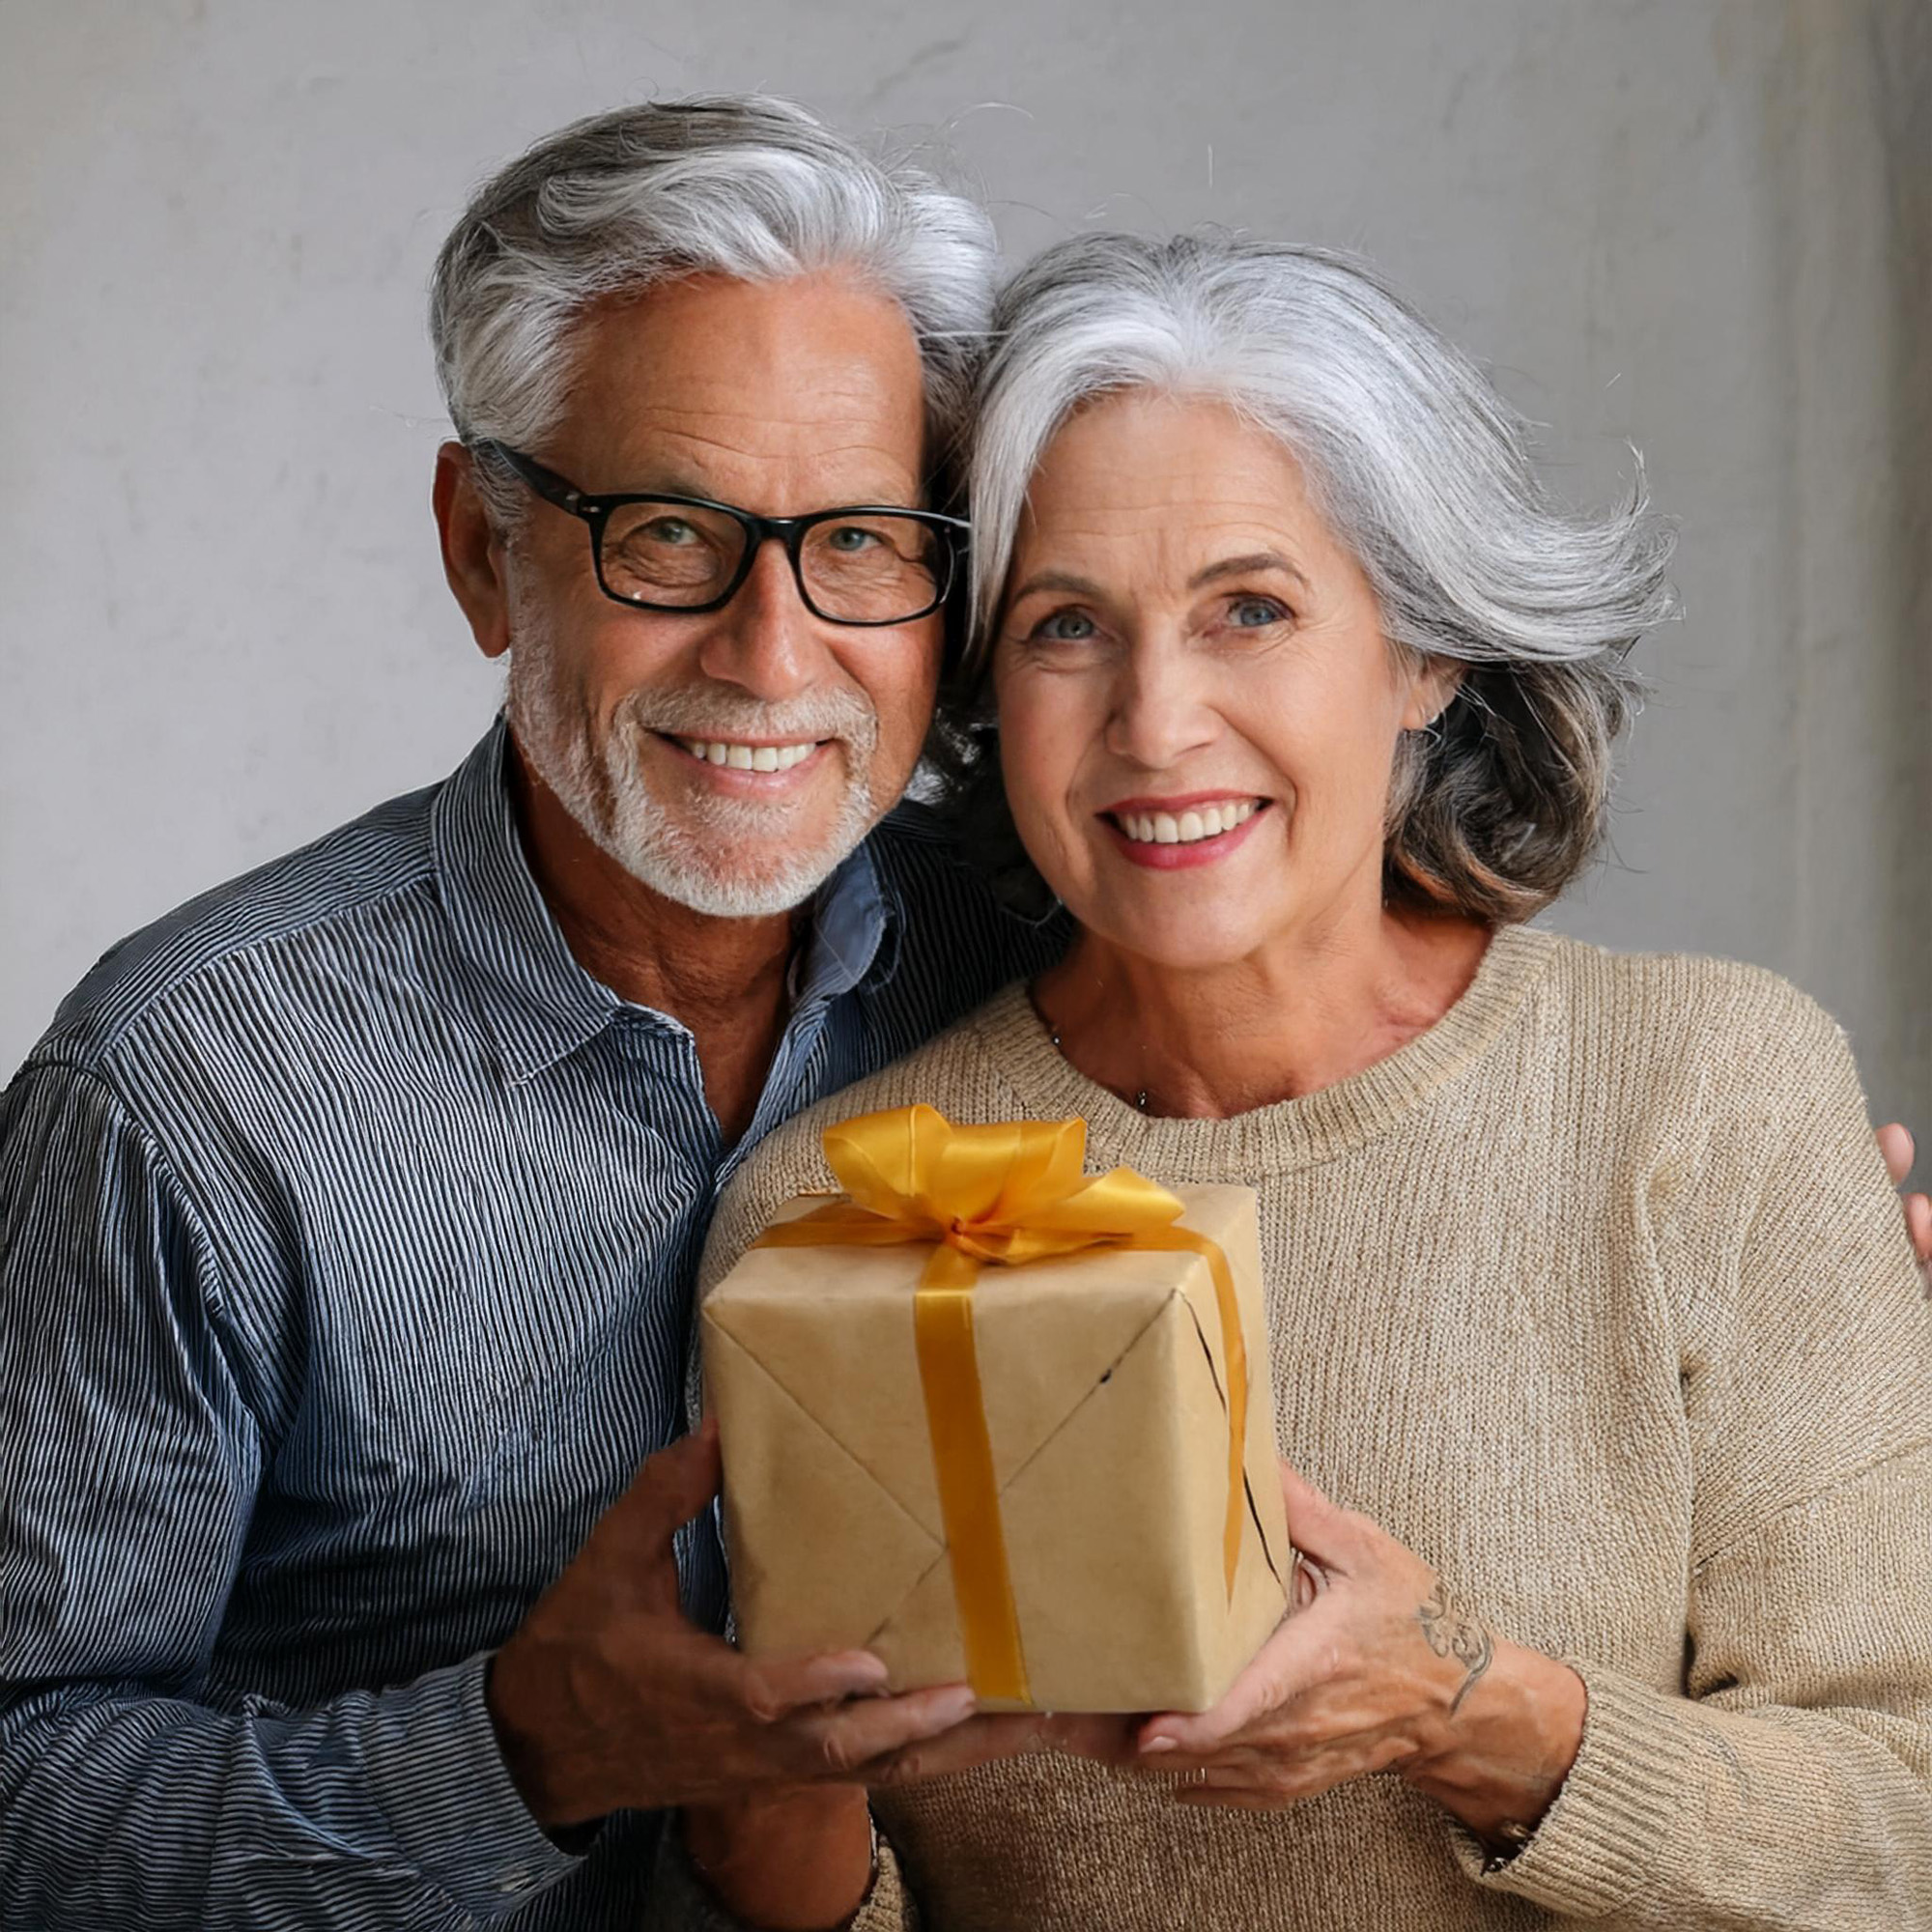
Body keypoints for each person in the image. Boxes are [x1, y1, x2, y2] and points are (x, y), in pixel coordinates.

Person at [666, 235, 1932, 1929]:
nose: (1157, 720)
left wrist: (1470, 1715)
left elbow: (1898, 1827)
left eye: (1249, 608)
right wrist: (741, 1797)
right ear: (987, 693)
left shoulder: (1711, 1097)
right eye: (1066, 629)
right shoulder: (841, 1207)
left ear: (1428, 657)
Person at [0, 97, 1061, 1930]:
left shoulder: (1042, 963)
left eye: (866, 543)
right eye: (668, 533)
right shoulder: (179, 1085)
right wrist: (521, 1748)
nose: (771, 651)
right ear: (483, 549)